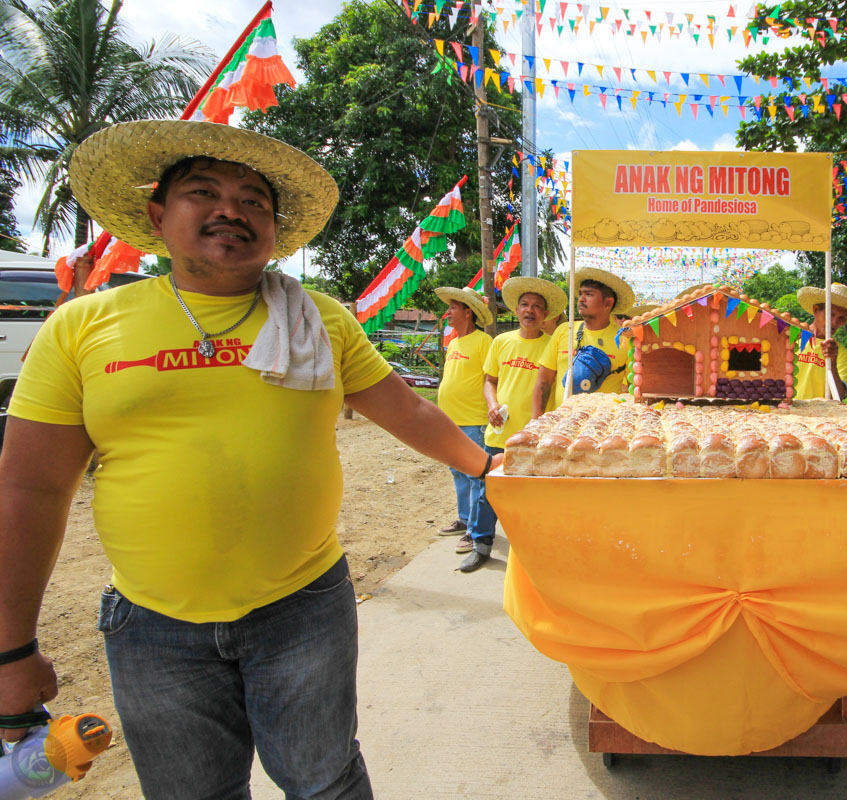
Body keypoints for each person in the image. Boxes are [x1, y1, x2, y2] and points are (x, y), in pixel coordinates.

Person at [0, 119, 498, 799]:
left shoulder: (320, 321)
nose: (231, 209)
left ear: (273, 230)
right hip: (151, 626)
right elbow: (30, 488)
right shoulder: (82, 328)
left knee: (324, 780)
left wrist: (492, 471)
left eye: (254, 202)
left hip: (305, 608)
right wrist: (11, 650)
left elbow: (408, 411)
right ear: (157, 215)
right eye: (202, 191)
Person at [465, 278, 567, 573]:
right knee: (488, 491)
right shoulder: (501, 342)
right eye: (525, 304)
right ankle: (481, 545)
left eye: (537, 306)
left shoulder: (554, 345)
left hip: (538, 438)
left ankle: (531, 550)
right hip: (500, 433)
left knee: (533, 495)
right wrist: (491, 405)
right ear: (516, 309)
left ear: (545, 314)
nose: (530, 310)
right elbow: (489, 381)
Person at [434, 287, 495, 565]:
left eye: (454, 308)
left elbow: (490, 379)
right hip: (449, 420)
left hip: (474, 420)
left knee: (474, 474)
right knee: (457, 472)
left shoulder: (483, 342)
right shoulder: (454, 343)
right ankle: (464, 519)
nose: (449, 312)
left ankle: (474, 531)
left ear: (468, 312)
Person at [532, 267, 633, 417]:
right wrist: (535, 421)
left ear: (608, 302)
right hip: (562, 424)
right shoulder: (564, 331)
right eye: (580, 294)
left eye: (589, 294)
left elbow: (633, 387)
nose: (581, 299)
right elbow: (543, 382)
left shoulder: (624, 339)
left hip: (605, 425)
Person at [793, 283, 847, 401]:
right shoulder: (792, 338)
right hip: (784, 411)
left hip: (819, 415)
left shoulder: (841, 354)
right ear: (816, 310)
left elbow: (837, 398)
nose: (834, 322)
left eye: (841, 318)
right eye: (830, 314)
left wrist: (832, 363)